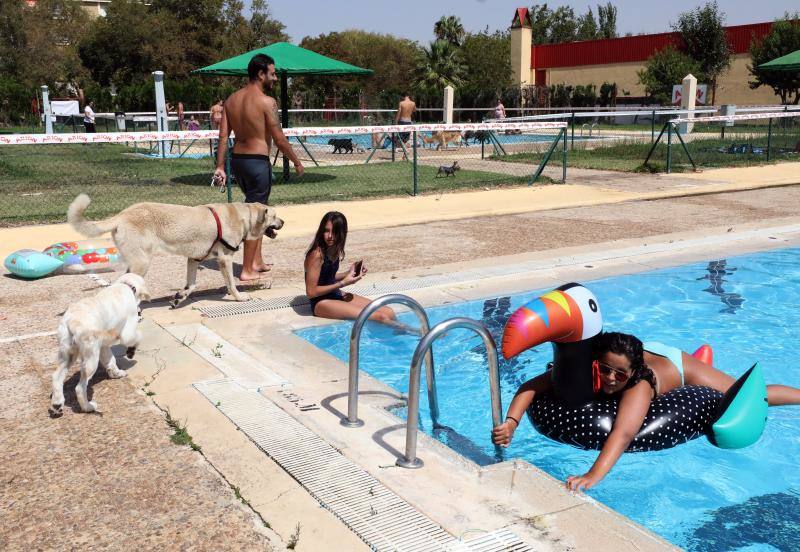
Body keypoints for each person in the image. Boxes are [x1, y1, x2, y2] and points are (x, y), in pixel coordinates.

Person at [492, 331, 800, 492]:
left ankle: (702, 363)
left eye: (620, 375)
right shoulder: (589, 368)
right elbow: (531, 387)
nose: (612, 379)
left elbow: (624, 432)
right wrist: (512, 422)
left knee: (740, 393)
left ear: (633, 373)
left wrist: (593, 474)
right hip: (641, 350)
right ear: (596, 362)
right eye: (606, 370)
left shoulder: (638, 384)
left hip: (677, 367)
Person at [214, 54, 304, 282]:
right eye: (272, 74)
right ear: (260, 74)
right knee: (256, 218)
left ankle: (257, 261)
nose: (274, 78)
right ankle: (247, 269)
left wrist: (220, 166)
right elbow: (279, 138)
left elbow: (223, 136)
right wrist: (296, 160)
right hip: (257, 163)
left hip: (239, 163)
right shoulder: (267, 102)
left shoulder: (231, 101)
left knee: (259, 213)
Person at [304, 211, 396, 324]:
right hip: (320, 302)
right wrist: (343, 283)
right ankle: (412, 334)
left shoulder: (334, 248)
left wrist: (348, 273)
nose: (330, 236)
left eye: (335, 232)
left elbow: (326, 278)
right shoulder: (316, 254)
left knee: (389, 312)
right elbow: (311, 292)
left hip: (334, 294)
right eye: (326, 231)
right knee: (380, 317)